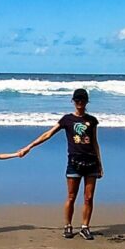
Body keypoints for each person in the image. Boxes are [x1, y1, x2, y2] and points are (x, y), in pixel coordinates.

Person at [20, 88, 103, 240]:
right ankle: (68, 225)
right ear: (73, 101)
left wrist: (100, 164)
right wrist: (29, 147)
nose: (80, 103)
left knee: (88, 197)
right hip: (74, 162)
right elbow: (48, 134)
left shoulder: (92, 120)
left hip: (91, 162)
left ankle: (85, 227)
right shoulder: (67, 119)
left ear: (87, 102)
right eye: (77, 100)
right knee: (71, 196)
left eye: (83, 100)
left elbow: (95, 142)